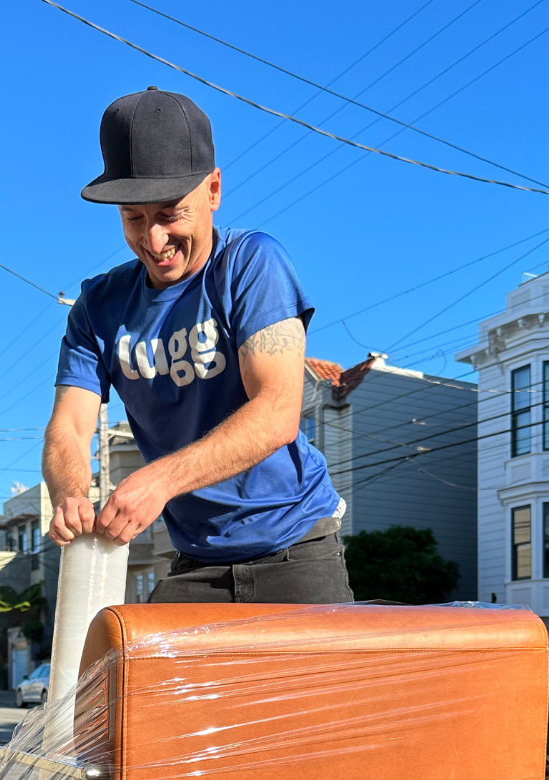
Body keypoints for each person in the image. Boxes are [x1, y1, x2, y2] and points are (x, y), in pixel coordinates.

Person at [43, 87, 353, 604]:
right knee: (138, 682)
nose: (154, 239)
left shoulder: (252, 264)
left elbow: (277, 410)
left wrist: (159, 480)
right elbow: (69, 427)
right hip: (194, 560)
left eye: (170, 214)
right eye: (133, 218)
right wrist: (70, 494)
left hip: (296, 549)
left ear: (212, 190)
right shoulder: (97, 305)